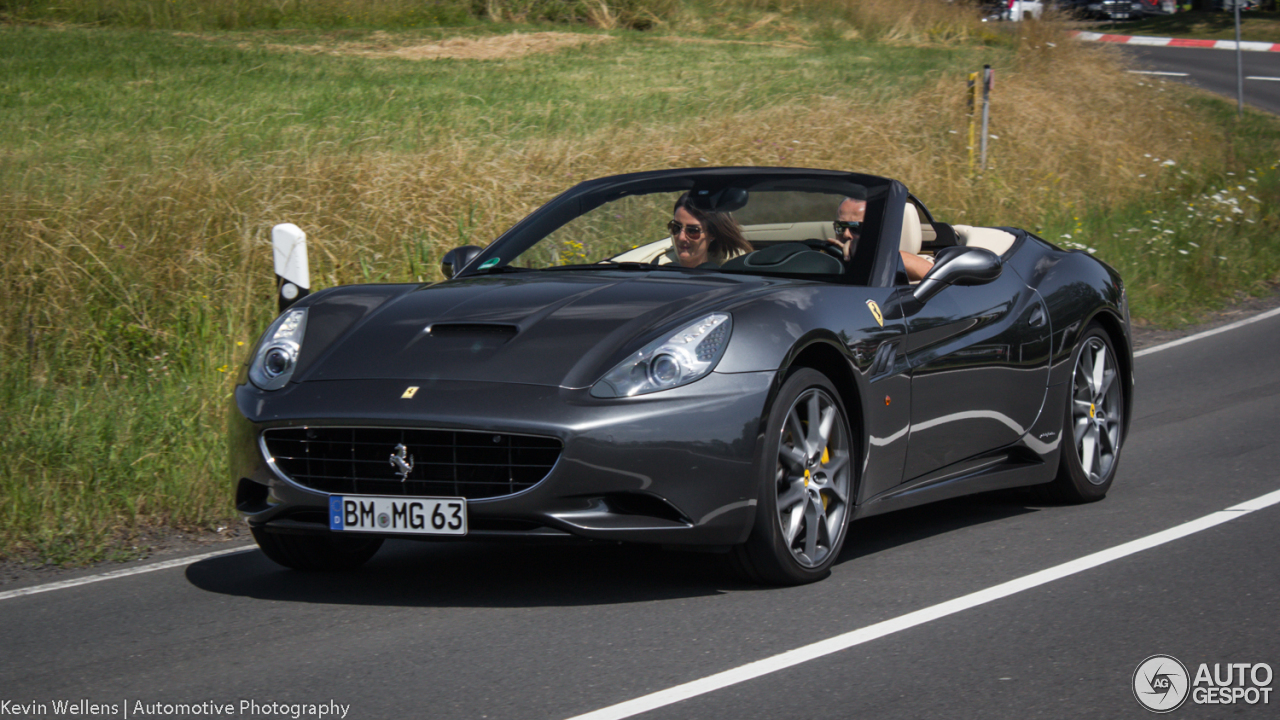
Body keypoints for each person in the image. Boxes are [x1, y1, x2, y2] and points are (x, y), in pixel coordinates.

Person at [826, 189, 933, 282]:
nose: (846, 234)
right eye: (840, 226)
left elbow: (938, 278)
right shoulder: (826, 259)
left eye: (856, 228)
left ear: (880, 230)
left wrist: (868, 255)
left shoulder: (898, 262)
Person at [664, 192, 753, 268]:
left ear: (712, 234)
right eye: (676, 227)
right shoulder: (657, 270)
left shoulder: (728, 279)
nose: (681, 237)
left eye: (692, 231)